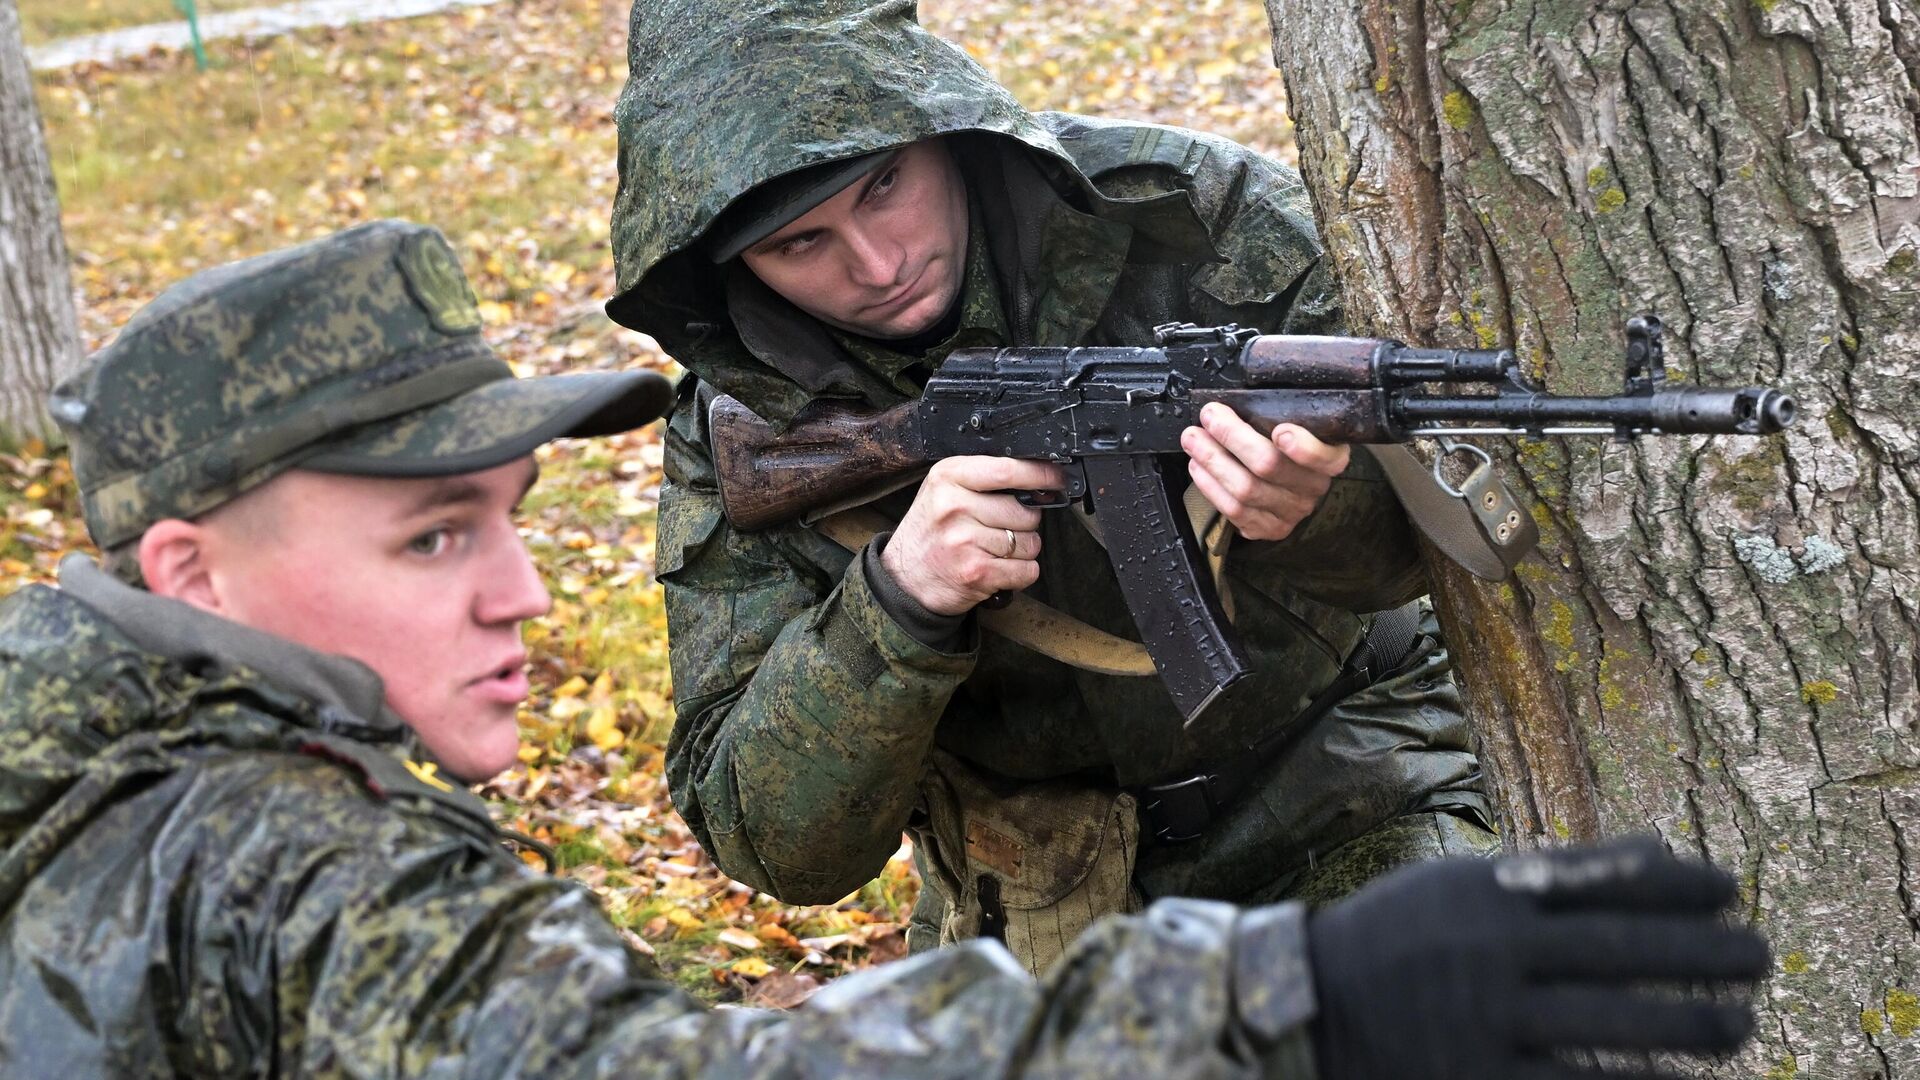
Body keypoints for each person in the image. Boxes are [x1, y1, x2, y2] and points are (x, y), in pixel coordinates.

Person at [0, 220, 1768, 1077]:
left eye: (517, 517)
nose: (525, 595)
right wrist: (1293, 999)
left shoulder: (73, 766)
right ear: (190, 571)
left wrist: (1293, 514)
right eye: (435, 535)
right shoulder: (285, 866)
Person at [607, 0, 1497, 969]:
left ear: (940, 127)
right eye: (799, 245)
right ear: (729, 269)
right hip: (1028, 899)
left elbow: (1449, 548)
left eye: (882, 187)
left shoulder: (1193, 216)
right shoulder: (746, 423)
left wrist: (1318, 510)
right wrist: (898, 601)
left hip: (1349, 794)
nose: (877, 263)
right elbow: (772, 841)